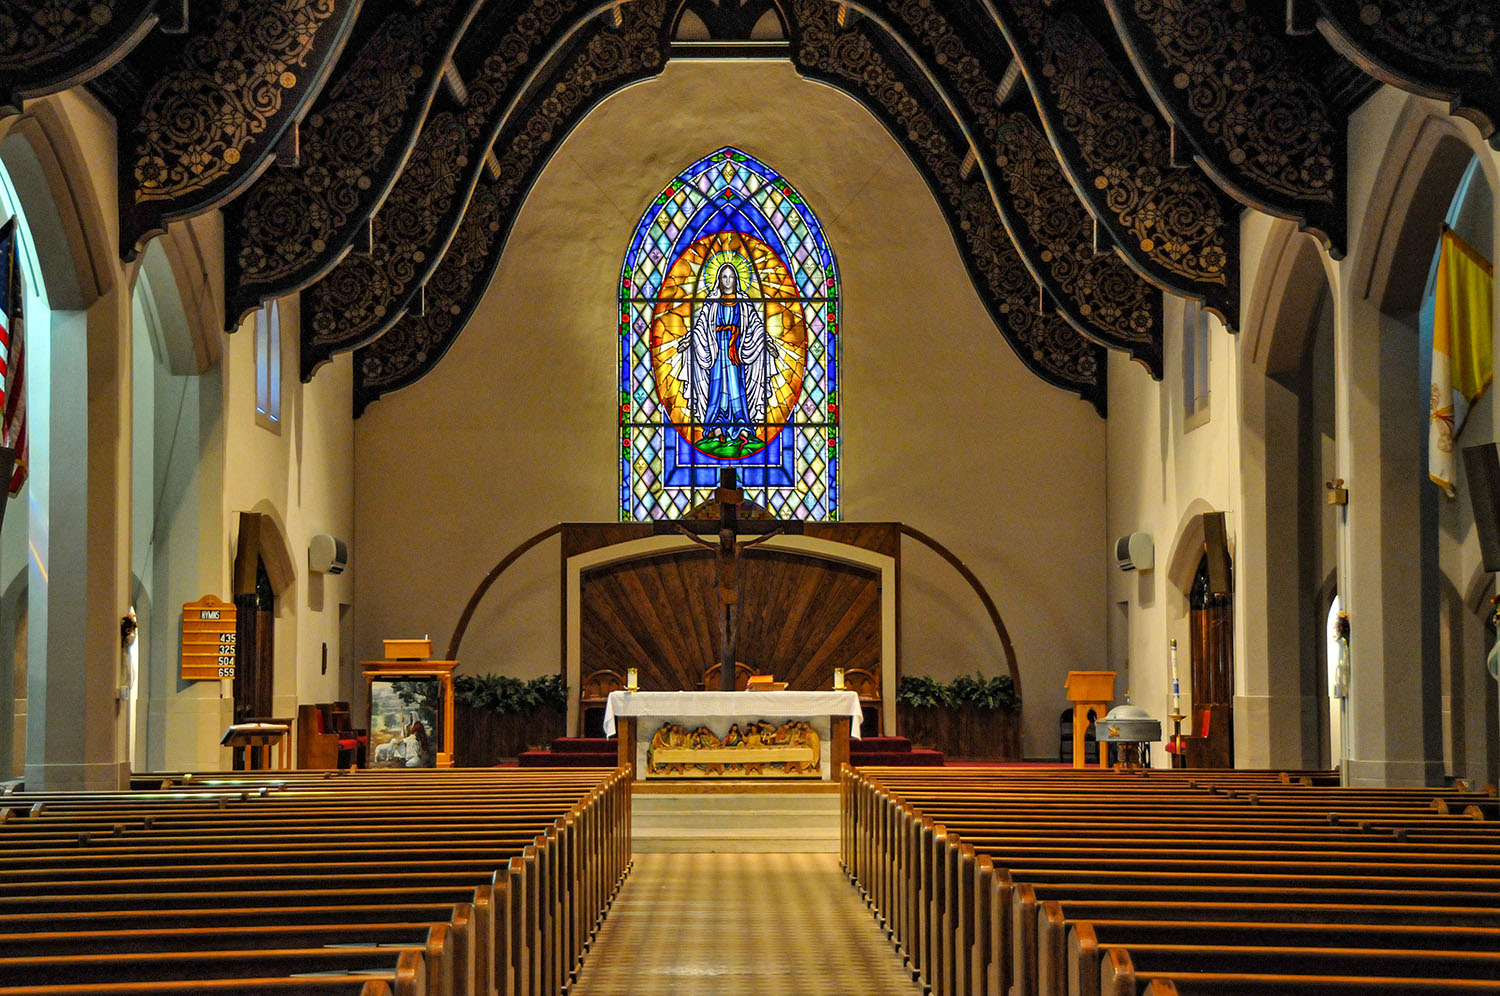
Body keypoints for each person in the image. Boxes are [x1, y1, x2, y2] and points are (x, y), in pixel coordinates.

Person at [681, 262, 779, 449]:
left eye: (731, 277)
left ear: (736, 280)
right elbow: (701, 326)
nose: (727, 281)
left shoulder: (744, 303)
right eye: (724, 277)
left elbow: (756, 326)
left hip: (736, 355)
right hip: (717, 354)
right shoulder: (711, 303)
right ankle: (716, 424)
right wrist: (690, 339)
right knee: (717, 389)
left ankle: (741, 423)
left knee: (736, 388)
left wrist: (766, 341)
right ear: (718, 280)